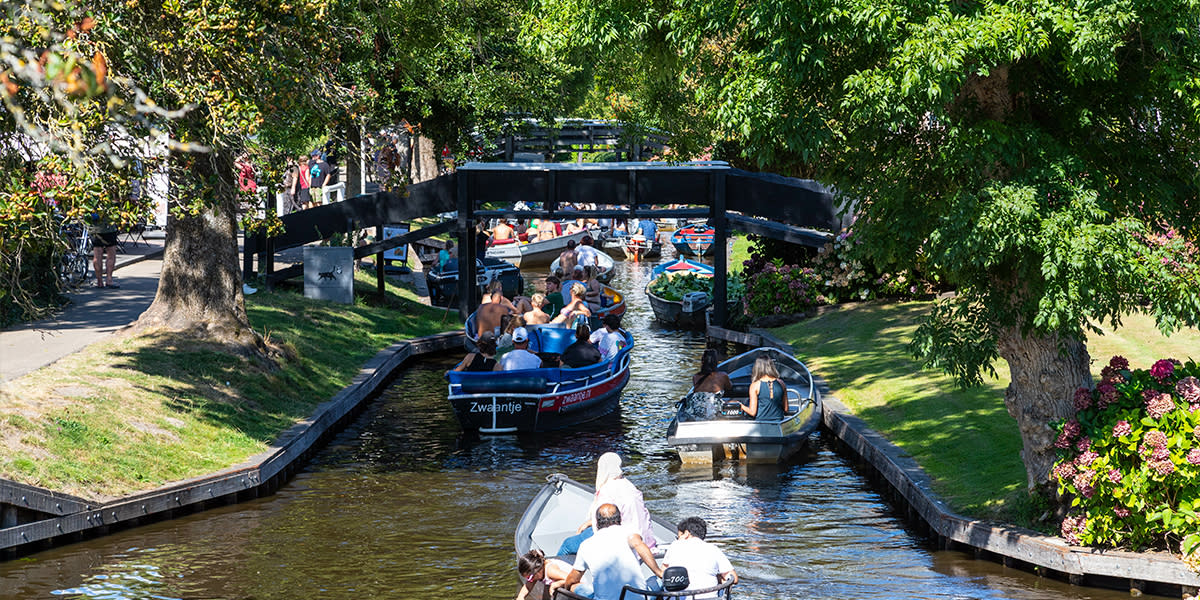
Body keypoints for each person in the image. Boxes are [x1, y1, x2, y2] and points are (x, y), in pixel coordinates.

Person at [558, 452, 657, 556]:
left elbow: (600, 526)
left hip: (622, 541)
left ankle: (554, 569)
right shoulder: (629, 486)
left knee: (567, 545)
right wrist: (589, 523)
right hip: (646, 539)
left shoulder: (607, 491)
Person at [557, 504, 663, 600]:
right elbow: (638, 544)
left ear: (597, 522)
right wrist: (658, 572)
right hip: (640, 597)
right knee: (660, 580)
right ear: (619, 519)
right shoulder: (629, 532)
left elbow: (573, 578)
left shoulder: (586, 545)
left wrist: (566, 588)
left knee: (574, 586)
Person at [661, 517, 738, 599]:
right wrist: (718, 577)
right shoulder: (713, 549)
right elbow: (734, 578)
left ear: (686, 534)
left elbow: (662, 572)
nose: (678, 539)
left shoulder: (675, 545)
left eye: (678, 536)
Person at [741, 355, 787, 421]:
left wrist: (740, 406)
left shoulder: (754, 385)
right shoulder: (781, 383)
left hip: (761, 423)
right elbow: (786, 409)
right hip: (778, 422)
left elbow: (752, 412)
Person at [89, 214, 120, 288]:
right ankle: (109, 280)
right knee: (111, 254)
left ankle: (99, 281)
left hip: (95, 229)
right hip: (109, 227)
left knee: (97, 255)